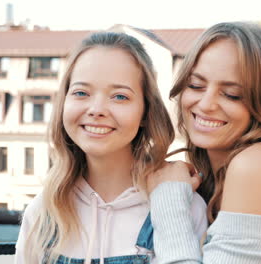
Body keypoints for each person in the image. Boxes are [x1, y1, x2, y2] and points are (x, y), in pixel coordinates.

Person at [15, 32, 207, 264]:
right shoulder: (44, 211)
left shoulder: (183, 207)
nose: (97, 109)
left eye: (119, 96)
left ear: (146, 112)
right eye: (81, 93)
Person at [146, 22, 261, 264]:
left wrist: (168, 198)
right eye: (196, 85)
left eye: (231, 94)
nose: (206, 103)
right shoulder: (218, 174)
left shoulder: (257, 165)